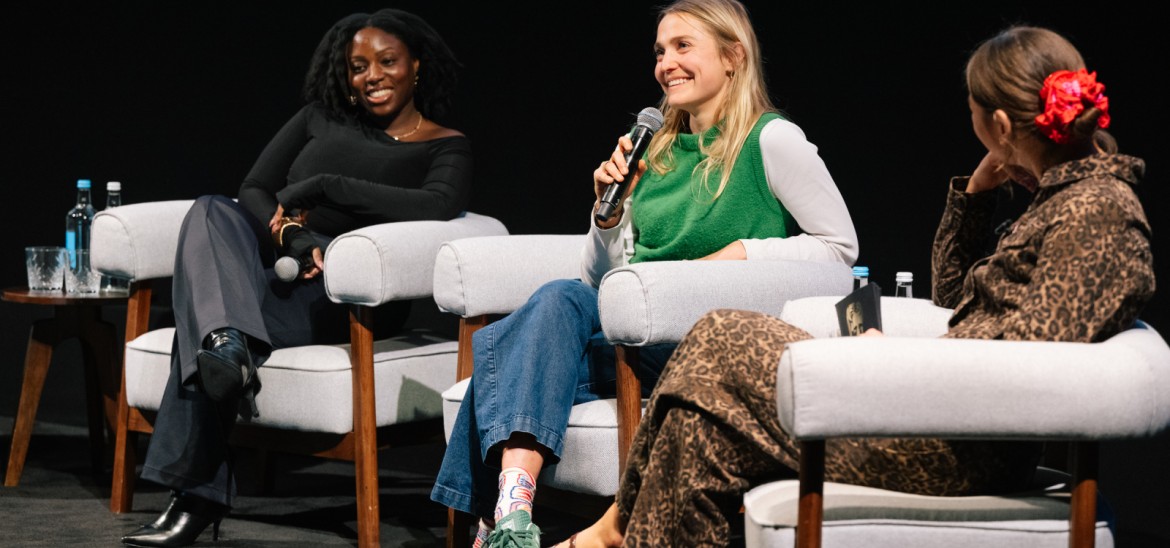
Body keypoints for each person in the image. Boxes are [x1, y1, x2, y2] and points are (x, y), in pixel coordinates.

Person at [559, 24, 1156, 547]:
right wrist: (975, 197)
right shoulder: (1065, 202)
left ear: (999, 123)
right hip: (935, 420)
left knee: (719, 332)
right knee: (700, 429)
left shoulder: (1097, 214)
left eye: (975, 118)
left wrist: (888, 365)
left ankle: (614, 526)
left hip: (954, 449)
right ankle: (621, 529)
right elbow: (953, 301)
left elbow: (1028, 366)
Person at [430, 0, 859, 546]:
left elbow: (839, 249)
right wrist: (606, 216)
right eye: (660, 51)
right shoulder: (647, 147)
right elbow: (601, 279)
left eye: (683, 47)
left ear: (733, 57)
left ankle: (491, 519)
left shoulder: (771, 139)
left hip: (703, 345)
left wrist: (737, 255)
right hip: (631, 336)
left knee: (510, 348)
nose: (666, 63)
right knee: (559, 300)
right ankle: (515, 510)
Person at [120, 9, 471, 547]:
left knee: (203, 315)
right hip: (278, 270)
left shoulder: (444, 144)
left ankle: (194, 495)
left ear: (416, 66)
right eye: (358, 66)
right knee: (213, 208)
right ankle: (226, 345)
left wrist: (325, 185)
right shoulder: (317, 117)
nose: (372, 75)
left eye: (387, 61)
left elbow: (437, 204)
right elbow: (256, 188)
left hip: (341, 295)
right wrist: (290, 236)